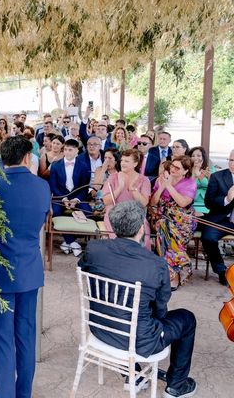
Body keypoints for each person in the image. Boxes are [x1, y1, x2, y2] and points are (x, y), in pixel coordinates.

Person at [78, 201, 198, 398]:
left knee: (124, 309)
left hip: (100, 328)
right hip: (138, 341)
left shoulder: (94, 249)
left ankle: (132, 374)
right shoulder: (156, 264)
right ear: (142, 228)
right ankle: (177, 385)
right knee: (187, 318)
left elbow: (82, 266)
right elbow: (161, 309)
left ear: (113, 225)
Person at [0, 136, 51, 398]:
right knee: (25, 337)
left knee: (4, 342)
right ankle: (23, 394)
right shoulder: (42, 187)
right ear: (27, 157)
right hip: (29, 270)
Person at [149, 156, 197, 289]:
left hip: (184, 221)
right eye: (172, 166)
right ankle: (174, 274)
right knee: (163, 225)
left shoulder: (190, 182)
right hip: (163, 218)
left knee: (165, 230)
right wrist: (161, 187)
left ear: (185, 171)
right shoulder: (161, 180)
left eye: (177, 168)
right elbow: (153, 203)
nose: (173, 169)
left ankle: (172, 276)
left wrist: (168, 185)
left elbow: (182, 203)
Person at [101, 149, 151, 246]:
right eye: (122, 160)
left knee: (142, 236)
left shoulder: (144, 180)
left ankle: (139, 258)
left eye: (127, 161)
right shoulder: (113, 177)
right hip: (115, 215)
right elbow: (106, 201)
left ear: (135, 164)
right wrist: (120, 187)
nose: (122, 163)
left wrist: (132, 189)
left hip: (135, 215)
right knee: (120, 241)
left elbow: (144, 203)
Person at [50, 140, 92, 256]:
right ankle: (72, 242)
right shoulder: (55, 165)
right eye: (66, 150)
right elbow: (53, 186)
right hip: (60, 197)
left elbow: (85, 187)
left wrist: (76, 200)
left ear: (77, 151)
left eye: (70, 150)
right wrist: (64, 199)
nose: (67, 152)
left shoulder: (83, 166)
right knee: (56, 213)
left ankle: (68, 240)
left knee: (88, 212)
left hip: (77, 197)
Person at [202, 148, 234, 286]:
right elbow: (208, 202)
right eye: (231, 160)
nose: (233, 163)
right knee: (208, 237)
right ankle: (222, 271)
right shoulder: (217, 177)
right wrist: (226, 199)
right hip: (221, 219)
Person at [188, 146, 212, 216]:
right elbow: (189, 186)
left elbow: (211, 186)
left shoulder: (210, 169)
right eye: (193, 156)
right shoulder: (186, 171)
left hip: (206, 202)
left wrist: (198, 173)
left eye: (198, 155)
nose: (196, 158)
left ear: (203, 157)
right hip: (191, 201)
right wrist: (194, 171)